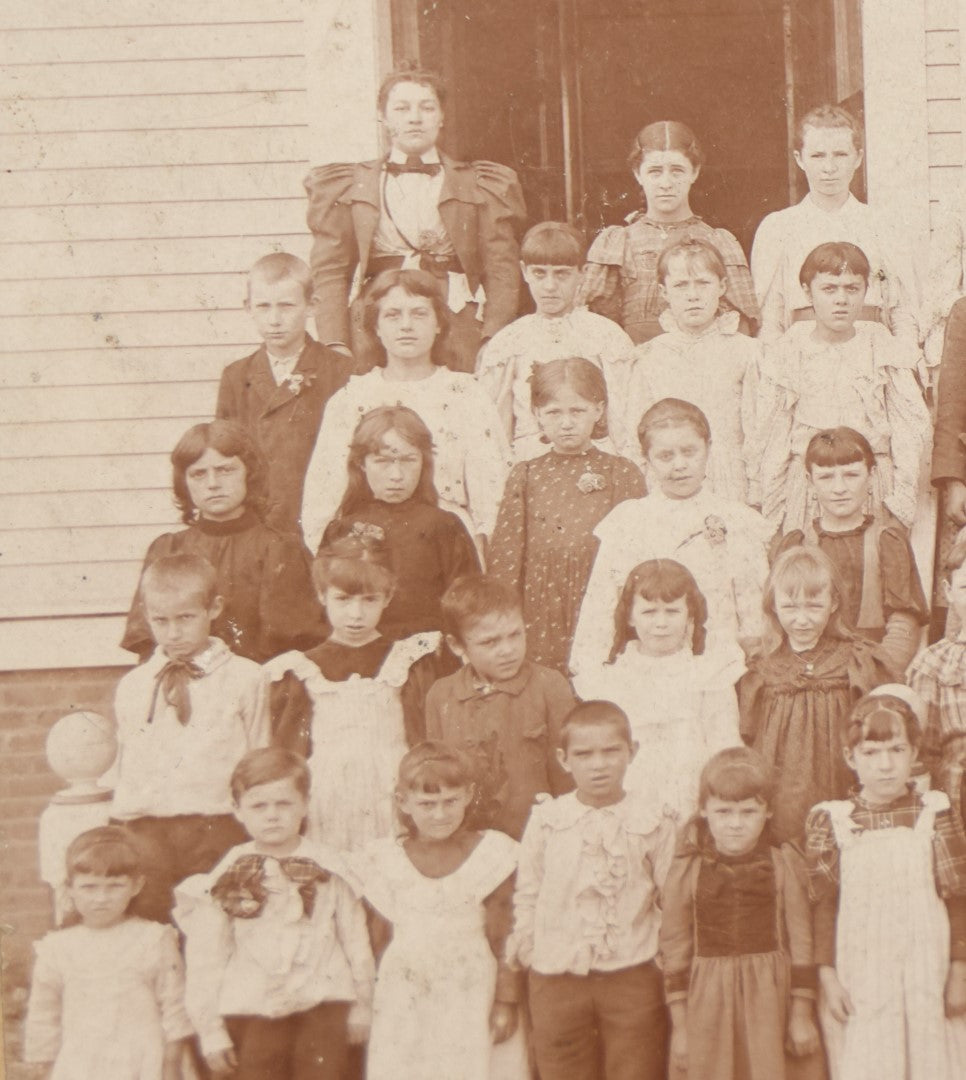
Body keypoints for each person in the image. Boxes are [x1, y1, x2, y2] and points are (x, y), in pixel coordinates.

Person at [304, 67, 526, 373]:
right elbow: (330, 268)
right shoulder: (352, 183)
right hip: (376, 319)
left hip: (454, 316)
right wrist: (335, 342)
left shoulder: (478, 182)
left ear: (441, 117)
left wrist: (493, 336)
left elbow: (501, 266)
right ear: (383, 117)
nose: (415, 118)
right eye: (401, 108)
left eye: (427, 107)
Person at [174, 748, 375, 1080]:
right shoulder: (228, 874)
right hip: (255, 1005)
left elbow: (356, 940)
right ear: (237, 809)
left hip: (324, 1000)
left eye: (284, 804)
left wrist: (363, 1005)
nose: (272, 816)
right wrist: (210, 1030)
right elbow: (206, 956)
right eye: (259, 806)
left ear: (305, 804)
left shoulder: (330, 866)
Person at [507, 700, 677, 1080]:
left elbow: (671, 896)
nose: (598, 765)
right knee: (562, 1068)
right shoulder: (548, 820)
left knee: (635, 1068)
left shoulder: (654, 819)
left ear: (632, 752)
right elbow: (529, 891)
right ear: (564, 759)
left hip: (632, 973)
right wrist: (532, 948)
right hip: (557, 975)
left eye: (611, 751)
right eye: (583, 754)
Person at [805, 692, 966, 1079]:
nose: (886, 765)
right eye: (872, 752)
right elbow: (823, 905)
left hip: (928, 967)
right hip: (861, 969)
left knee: (933, 1055)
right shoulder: (833, 821)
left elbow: (958, 900)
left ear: (914, 754)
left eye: (897, 750)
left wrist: (959, 971)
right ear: (850, 758)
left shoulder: (935, 812)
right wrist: (826, 975)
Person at [300, 269, 511, 558]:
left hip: (447, 544)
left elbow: (492, 491)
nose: (406, 326)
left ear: (439, 323)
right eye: (393, 315)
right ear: (375, 326)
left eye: (419, 314)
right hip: (368, 547)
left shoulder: (466, 394)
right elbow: (321, 498)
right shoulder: (352, 399)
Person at [349, 742, 529, 1080]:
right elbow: (376, 938)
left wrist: (506, 998)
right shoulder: (384, 860)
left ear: (468, 795)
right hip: (406, 991)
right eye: (427, 804)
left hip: (472, 987)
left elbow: (507, 933)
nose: (440, 814)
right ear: (402, 802)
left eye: (450, 801)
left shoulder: (491, 854)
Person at [266, 532, 452, 851]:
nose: (356, 614)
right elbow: (288, 749)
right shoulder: (299, 669)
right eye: (343, 599)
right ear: (322, 595)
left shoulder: (408, 660)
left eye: (369, 600)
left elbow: (423, 736)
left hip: (392, 790)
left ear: (388, 597)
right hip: (327, 796)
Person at [110, 553, 270, 922]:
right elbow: (127, 759)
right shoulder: (135, 685)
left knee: (217, 921)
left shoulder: (246, 678)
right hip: (149, 828)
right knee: (154, 920)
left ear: (213, 609)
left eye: (185, 618)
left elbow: (259, 755)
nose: (173, 633)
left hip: (216, 825)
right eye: (160, 621)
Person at [571, 398, 772, 674]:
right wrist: (593, 668)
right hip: (646, 668)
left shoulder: (736, 519)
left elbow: (753, 609)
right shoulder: (628, 521)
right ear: (647, 458)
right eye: (666, 456)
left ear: (708, 449)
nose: (679, 465)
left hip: (718, 665)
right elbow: (602, 605)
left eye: (689, 452)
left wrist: (755, 666)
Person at [660, 748, 822, 1080]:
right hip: (708, 1007)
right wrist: (681, 1029)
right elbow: (675, 950)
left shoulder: (783, 863)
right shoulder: (688, 870)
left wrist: (801, 1015)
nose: (735, 824)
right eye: (723, 811)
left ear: (768, 811)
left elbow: (803, 944)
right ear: (704, 810)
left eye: (748, 811)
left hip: (770, 1004)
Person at [758, 241, 930, 536]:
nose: (841, 299)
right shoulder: (788, 352)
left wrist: (900, 503)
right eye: (829, 289)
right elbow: (772, 438)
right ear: (806, 291)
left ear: (866, 291)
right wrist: (773, 509)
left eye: (852, 289)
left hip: (872, 488)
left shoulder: (882, 347)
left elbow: (909, 433)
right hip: (810, 490)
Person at [121, 420, 326, 663]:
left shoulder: (279, 549)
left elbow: (294, 647)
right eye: (198, 474)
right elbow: (150, 646)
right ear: (184, 482)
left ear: (249, 473)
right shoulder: (168, 549)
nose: (212, 484)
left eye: (225, 470)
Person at [488, 358, 644, 672]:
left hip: (602, 604)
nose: (566, 423)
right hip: (540, 608)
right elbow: (506, 557)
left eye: (577, 411)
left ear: (598, 410)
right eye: (554, 413)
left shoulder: (621, 473)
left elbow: (637, 554)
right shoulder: (526, 474)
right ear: (536, 416)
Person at [739, 546, 891, 843]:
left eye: (814, 606)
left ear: (833, 603)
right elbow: (747, 733)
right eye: (790, 608)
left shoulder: (855, 660)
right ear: (773, 606)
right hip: (782, 790)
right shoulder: (762, 669)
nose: (802, 620)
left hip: (838, 781)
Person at [573, 559, 743, 822]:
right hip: (628, 809)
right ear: (629, 615)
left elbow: (725, 748)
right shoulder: (612, 680)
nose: (661, 623)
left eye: (672, 611)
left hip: (694, 807)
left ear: (690, 614)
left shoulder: (708, 675)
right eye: (649, 612)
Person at [24, 827, 192, 1080]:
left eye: (114, 886)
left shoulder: (153, 939)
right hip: (82, 1062)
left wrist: (171, 1065)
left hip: (145, 1059)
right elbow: (43, 1014)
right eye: (89, 887)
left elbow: (174, 1005)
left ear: (137, 886)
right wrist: (44, 1066)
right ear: (69, 888)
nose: (101, 898)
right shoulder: (57, 948)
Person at [751, 104, 920, 348]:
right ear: (799, 159)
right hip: (802, 354)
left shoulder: (884, 225)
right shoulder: (778, 228)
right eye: (818, 156)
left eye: (840, 155)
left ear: (858, 157)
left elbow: (902, 312)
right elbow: (770, 319)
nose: (829, 168)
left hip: (871, 351)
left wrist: (904, 359)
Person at [578, 120, 759, 344]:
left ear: (695, 172)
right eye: (655, 171)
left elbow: (741, 327)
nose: (666, 183)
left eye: (677, 171)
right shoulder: (618, 241)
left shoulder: (718, 242)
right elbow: (587, 322)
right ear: (637, 173)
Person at [425, 574, 575, 839]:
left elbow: (568, 778)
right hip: (469, 844)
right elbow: (437, 779)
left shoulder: (549, 686)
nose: (507, 650)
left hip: (537, 838)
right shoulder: (441, 695)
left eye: (515, 635)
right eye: (490, 642)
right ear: (456, 645)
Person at [215, 253, 355, 535]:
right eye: (264, 307)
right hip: (259, 521)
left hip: (324, 518)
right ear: (248, 308)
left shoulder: (340, 371)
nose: (275, 319)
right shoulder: (236, 376)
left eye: (287, 306)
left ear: (311, 306)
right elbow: (224, 452)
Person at [773, 427, 928, 677]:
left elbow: (904, 626)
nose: (839, 488)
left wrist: (876, 673)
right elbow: (778, 622)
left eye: (851, 475)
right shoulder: (797, 545)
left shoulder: (887, 542)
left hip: (869, 669)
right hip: (809, 673)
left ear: (871, 476)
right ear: (809, 482)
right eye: (826, 477)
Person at [476, 220, 634, 460]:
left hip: (597, 465)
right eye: (539, 273)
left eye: (562, 274)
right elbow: (494, 430)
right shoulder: (508, 342)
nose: (549, 286)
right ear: (524, 272)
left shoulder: (606, 336)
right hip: (530, 462)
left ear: (581, 274)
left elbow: (624, 422)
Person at [622, 237, 763, 503]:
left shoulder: (747, 352)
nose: (693, 295)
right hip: (667, 480)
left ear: (721, 286)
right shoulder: (649, 356)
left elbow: (757, 429)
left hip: (728, 478)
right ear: (664, 292)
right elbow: (634, 433)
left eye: (703, 283)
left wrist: (756, 493)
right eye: (680, 286)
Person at [321, 405, 479, 640]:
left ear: (423, 463)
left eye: (408, 460)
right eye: (382, 461)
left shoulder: (443, 526)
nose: (396, 475)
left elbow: (468, 606)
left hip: (428, 657)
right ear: (361, 464)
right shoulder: (342, 529)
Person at [908, 535, 966, 834]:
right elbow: (923, 754)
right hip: (958, 810)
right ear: (948, 592)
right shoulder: (932, 663)